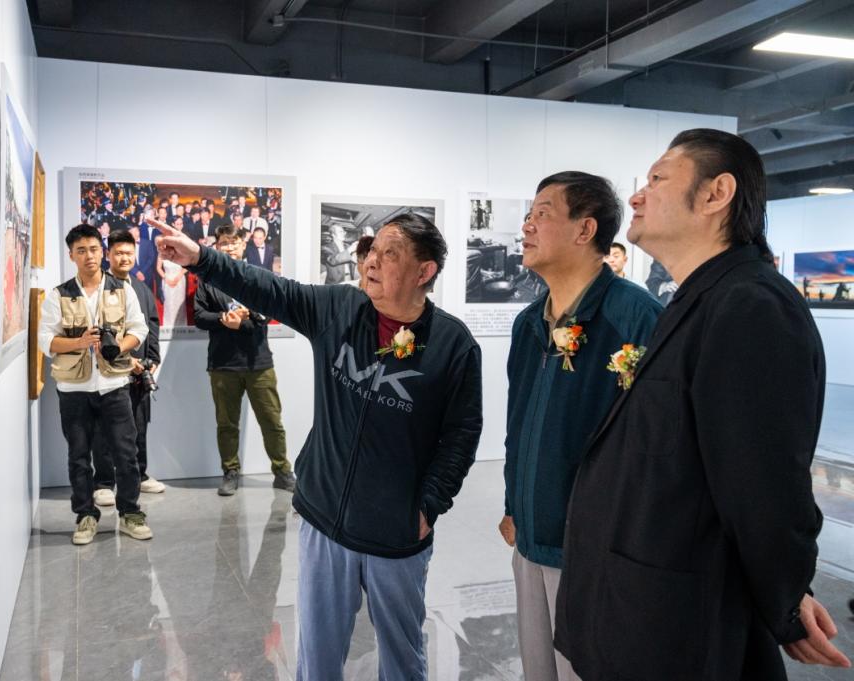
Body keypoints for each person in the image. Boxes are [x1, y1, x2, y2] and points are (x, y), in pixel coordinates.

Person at [554, 129, 851, 678]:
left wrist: (786, 598)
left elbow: (763, 485)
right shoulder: (704, 298)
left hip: (679, 628)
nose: (637, 196)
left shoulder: (751, 307)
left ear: (716, 194)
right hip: (642, 611)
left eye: (657, 179)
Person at [150, 211, 482, 681]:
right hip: (324, 521)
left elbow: (462, 433)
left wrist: (428, 505)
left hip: (396, 535)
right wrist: (201, 258)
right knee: (318, 659)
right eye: (372, 250)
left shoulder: (453, 344)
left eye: (390, 254)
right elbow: (267, 288)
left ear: (424, 271)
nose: (371, 262)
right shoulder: (339, 309)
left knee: (403, 660)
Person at [500, 172, 661, 681]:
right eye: (529, 215)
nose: (527, 226)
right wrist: (513, 503)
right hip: (531, 538)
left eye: (542, 214)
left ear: (585, 229)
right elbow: (518, 424)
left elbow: (660, 446)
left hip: (597, 553)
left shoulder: (636, 317)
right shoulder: (529, 323)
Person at [37, 224, 153, 545]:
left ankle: (130, 512)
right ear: (71, 255)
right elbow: (45, 340)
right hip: (73, 390)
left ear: (102, 252)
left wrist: (119, 347)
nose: (88, 256)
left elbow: (139, 328)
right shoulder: (59, 295)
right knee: (78, 456)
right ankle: (85, 515)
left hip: (114, 384)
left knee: (125, 453)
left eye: (93, 249)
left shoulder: (122, 289)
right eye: (81, 251)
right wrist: (79, 343)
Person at [193, 223, 295, 496]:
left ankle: (282, 472)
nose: (229, 247)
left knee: (272, 421)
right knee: (226, 425)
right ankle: (230, 472)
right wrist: (223, 319)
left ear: (243, 244)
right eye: (223, 243)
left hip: (258, 362)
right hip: (222, 364)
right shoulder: (207, 280)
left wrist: (244, 324)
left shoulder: (257, 276)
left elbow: (268, 314)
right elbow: (199, 316)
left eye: (233, 242)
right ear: (217, 247)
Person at [92, 229, 165, 506]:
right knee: (105, 428)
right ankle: (103, 482)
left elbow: (153, 324)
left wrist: (152, 360)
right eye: (119, 253)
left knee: (139, 425)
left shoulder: (141, 288)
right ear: (108, 255)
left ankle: (139, 475)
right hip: (110, 371)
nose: (124, 258)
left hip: (140, 373)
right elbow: (98, 332)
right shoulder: (99, 288)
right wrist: (126, 361)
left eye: (129, 253)